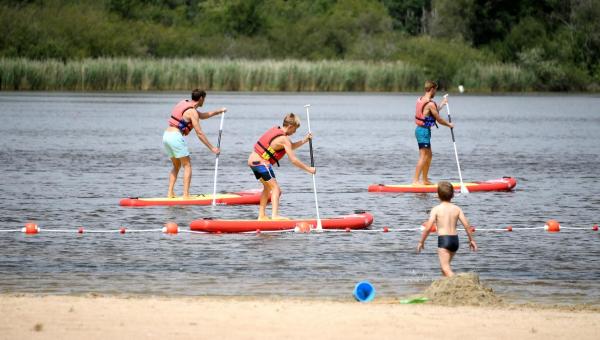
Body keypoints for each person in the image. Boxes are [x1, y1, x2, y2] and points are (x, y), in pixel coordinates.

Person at [248, 113, 316, 220]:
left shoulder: (277, 131)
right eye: (295, 129)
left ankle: (261, 216)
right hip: (261, 162)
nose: (294, 132)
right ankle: (275, 216)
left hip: (252, 161)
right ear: (290, 126)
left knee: (267, 188)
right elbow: (293, 160)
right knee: (276, 189)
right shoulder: (284, 139)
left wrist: (305, 140)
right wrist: (309, 169)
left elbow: (291, 146)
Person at [163, 89, 226, 198]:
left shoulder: (184, 103)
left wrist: (219, 111)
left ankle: (170, 193)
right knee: (187, 165)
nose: (204, 101)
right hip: (175, 137)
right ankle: (186, 195)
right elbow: (199, 133)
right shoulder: (192, 111)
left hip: (166, 136)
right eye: (204, 99)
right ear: (201, 98)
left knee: (176, 165)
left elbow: (202, 115)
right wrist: (212, 148)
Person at [416, 181, 477, 277]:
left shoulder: (436, 209)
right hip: (455, 241)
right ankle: (446, 290)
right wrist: (472, 240)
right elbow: (466, 225)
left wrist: (421, 241)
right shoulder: (457, 209)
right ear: (453, 195)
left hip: (444, 240)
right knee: (444, 268)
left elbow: (428, 227)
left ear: (438, 195)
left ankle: (460, 283)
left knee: (445, 268)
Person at [412, 80, 453, 185]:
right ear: (432, 89)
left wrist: (442, 104)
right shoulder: (430, 103)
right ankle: (415, 181)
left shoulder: (421, 99)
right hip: (422, 131)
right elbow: (438, 119)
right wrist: (449, 125)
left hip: (423, 130)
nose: (436, 92)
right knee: (424, 156)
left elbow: (432, 111)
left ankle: (425, 180)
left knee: (429, 155)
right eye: (436, 90)